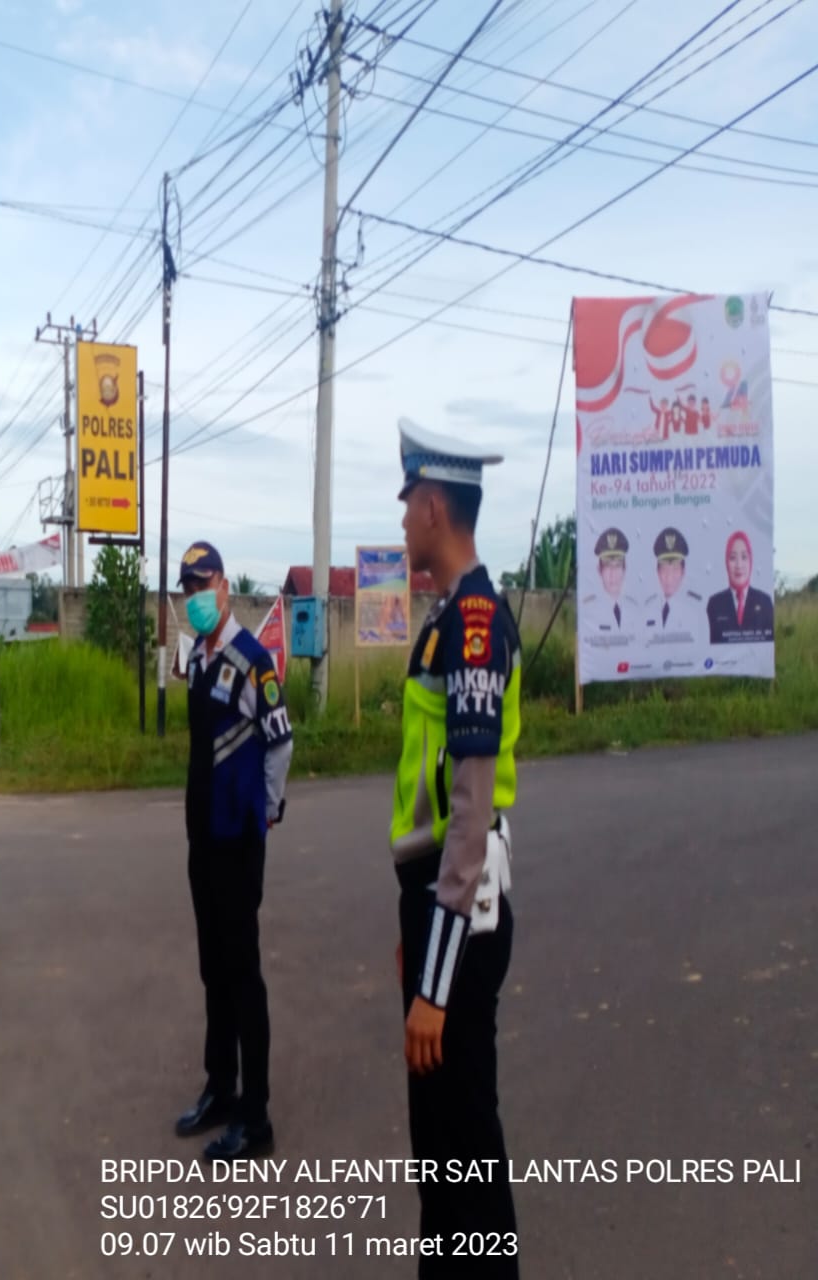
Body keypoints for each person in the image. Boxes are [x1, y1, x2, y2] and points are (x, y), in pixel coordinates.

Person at [390, 419, 520, 1277]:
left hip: (460, 916)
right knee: (438, 1144)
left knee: (463, 1142)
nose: (402, 523)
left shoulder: (472, 624)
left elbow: (468, 812)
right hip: (440, 907)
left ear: (434, 505)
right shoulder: (449, 619)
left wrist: (432, 983)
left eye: (407, 506)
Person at [174, 541, 293, 1162]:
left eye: (202, 583)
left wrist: (266, 813)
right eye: (186, 586)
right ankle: (220, 1087)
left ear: (224, 586)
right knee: (212, 970)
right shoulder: (197, 656)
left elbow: (280, 744)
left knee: (243, 976)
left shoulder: (253, 662)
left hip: (238, 840)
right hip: (201, 836)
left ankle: (258, 1115)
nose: (194, 595)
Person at [706, 531, 774, 644]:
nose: (739, 565)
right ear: (726, 563)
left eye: (744, 557)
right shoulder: (714, 603)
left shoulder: (765, 601)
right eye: (732, 558)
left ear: (751, 561)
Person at [643, 527, 704, 638]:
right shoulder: (648, 607)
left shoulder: (694, 609)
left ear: (683, 572)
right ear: (657, 571)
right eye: (664, 569)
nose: (669, 577)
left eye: (675, 569)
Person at [580, 528, 640, 634]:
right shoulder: (589, 608)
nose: (613, 574)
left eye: (617, 566)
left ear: (624, 569)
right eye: (608, 566)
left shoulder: (635, 607)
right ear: (599, 570)